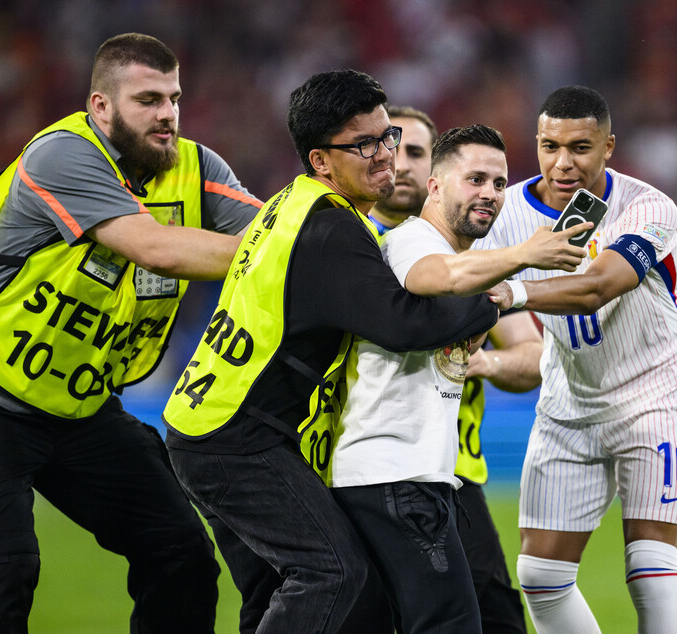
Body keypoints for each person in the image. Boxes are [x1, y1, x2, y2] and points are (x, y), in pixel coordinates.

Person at [0, 33, 262, 632]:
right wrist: (279, 256)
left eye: (174, 98)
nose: (168, 114)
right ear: (101, 106)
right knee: (3, 575)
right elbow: (154, 248)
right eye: (148, 99)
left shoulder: (198, 169)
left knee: (182, 555)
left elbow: (279, 230)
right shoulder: (62, 154)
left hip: (78, 405)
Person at [161, 69, 503, 633]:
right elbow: (402, 324)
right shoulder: (331, 229)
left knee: (284, 586)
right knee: (334, 573)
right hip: (237, 438)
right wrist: (487, 305)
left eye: (387, 136)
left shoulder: (291, 205)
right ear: (321, 160)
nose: (385, 155)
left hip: (212, 424)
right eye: (363, 145)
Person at [328, 124, 587, 633]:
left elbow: (518, 336)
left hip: (413, 474)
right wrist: (523, 256)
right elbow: (433, 277)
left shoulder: (475, 265)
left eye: (499, 183)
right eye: (475, 179)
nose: (490, 193)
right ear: (436, 186)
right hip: (392, 471)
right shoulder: (409, 240)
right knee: (453, 624)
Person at [479, 85, 677, 633]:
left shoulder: (648, 208)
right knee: (541, 578)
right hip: (568, 400)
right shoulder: (502, 213)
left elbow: (600, 285)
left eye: (580, 147)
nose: (562, 162)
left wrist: (515, 293)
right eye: (549, 145)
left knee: (650, 568)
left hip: (656, 390)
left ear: (609, 147)